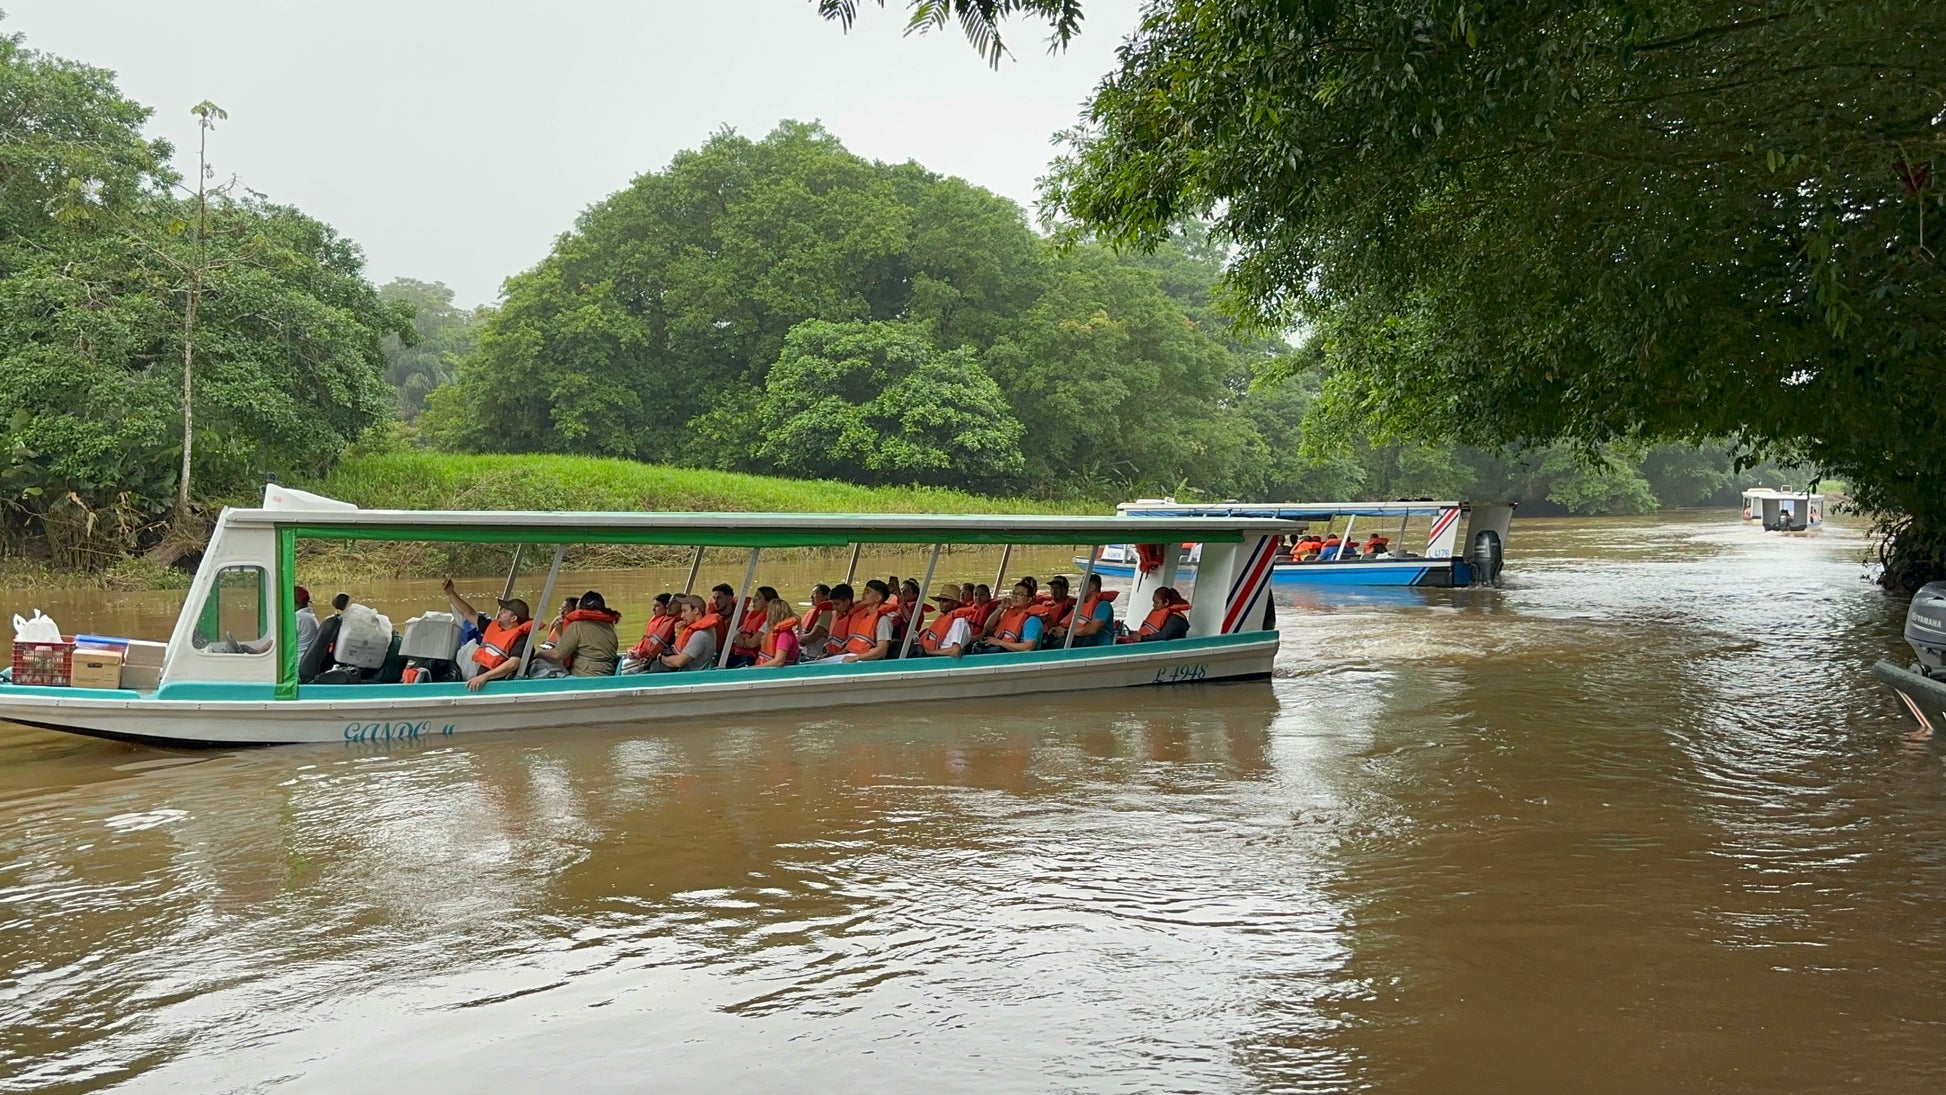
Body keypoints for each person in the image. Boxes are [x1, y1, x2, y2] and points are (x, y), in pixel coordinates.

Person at [440, 577, 534, 691]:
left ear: (513, 618)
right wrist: (451, 593)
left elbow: (513, 664)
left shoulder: (522, 639)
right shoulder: (493, 626)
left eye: (504, 612)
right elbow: (468, 613)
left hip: (495, 686)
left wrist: (484, 677)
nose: (500, 613)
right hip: (481, 682)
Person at [530, 589, 621, 677]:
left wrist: (538, 654)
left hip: (586, 675)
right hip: (607, 672)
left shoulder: (578, 626)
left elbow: (557, 655)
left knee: (539, 666)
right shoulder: (609, 627)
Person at [649, 594, 718, 672]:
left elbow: (679, 662)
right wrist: (678, 634)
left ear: (696, 610)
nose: (682, 616)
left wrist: (662, 658)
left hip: (690, 676)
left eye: (685, 611)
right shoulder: (704, 630)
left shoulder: (700, 634)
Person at [837, 580, 899, 662]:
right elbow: (853, 643)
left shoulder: (883, 620)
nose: (863, 594)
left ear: (878, 598)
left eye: (868, 592)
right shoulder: (860, 617)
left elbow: (881, 650)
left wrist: (857, 658)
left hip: (867, 662)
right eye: (864, 591)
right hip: (852, 657)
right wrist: (838, 654)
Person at [976, 582, 1044, 654]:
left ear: (1029, 599)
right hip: (1006, 655)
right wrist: (1001, 608)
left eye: (1020, 594)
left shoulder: (1032, 621)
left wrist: (1000, 642)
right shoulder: (1010, 615)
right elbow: (988, 627)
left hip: (1024, 660)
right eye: (1013, 593)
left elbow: (1028, 647)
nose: (1015, 596)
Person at [1054, 573, 1117, 648]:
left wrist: (1066, 632)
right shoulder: (1083, 605)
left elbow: (1093, 629)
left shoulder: (1103, 606)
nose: (1079, 590)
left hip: (1098, 648)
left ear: (1092, 587)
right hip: (1081, 644)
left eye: (1082, 586)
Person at [620, 594, 679, 673]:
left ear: (666, 607)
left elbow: (654, 648)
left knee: (623, 669)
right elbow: (646, 642)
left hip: (652, 659)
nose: (653, 609)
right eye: (653, 606)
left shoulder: (671, 623)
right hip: (644, 656)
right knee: (622, 664)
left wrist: (637, 653)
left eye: (657, 606)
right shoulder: (658, 620)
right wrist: (633, 650)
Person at [727, 586, 775, 668]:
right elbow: (735, 632)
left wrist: (739, 639)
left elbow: (752, 644)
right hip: (740, 655)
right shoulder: (754, 616)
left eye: (758, 597)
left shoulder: (770, 620)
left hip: (750, 659)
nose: (754, 600)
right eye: (754, 597)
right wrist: (737, 636)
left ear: (768, 603)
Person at [1125, 587, 1191, 642]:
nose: (1153, 605)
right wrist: (1139, 635)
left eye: (1156, 603)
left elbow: (1164, 636)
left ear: (1166, 602)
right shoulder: (1164, 614)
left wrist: (1141, 638)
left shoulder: (1176, 619)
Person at [754, 597, 801, 668]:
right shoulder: (777, 632)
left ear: (772, 615)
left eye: (768, 612)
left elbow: (779, 661)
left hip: (775, 674)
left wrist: (753, 668)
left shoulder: (785, 635)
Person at [800, 584, 836, 654]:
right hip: (805, 651)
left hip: (816, 654)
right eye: (811, 593)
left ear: (826, 597)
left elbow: (812, 637)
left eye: (815, 593)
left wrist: (791, 639)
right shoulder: (813, 612)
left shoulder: (827, 614)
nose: (811, 596)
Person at [708, 584, 737, 649]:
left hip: (735, 655)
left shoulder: (742, 616)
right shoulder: (709, 617)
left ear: (729, 598)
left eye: (719, 598)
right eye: (714, 598)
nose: (715, 602)